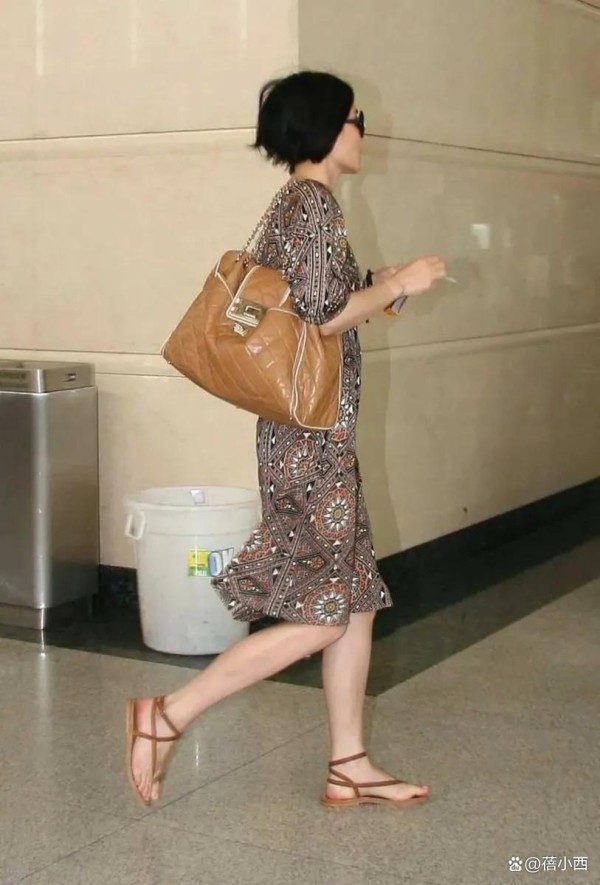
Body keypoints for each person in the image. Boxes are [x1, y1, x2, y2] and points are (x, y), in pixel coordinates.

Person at [127, 70, 447, 808]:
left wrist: (381, 281)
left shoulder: (298, 204)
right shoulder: (312, 205)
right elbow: (326, 317)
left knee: (354, 597)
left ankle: (349, 763)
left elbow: (310, 304)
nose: (364, 130)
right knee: (324, 614)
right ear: (329, 127)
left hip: (309, 438)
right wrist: (403, 284)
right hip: (313, 446)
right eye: (358, 118)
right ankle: (166, 715)